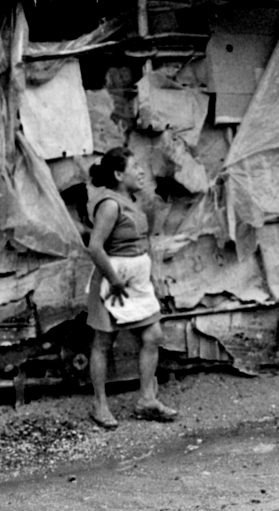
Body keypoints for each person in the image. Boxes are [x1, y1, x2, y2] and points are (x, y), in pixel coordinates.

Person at [86, 147, 178, 429]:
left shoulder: (132, 201)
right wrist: (114, 280)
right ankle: (99, 405)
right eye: (134, 166)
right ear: (118, 174)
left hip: (137, 282)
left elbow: (142, 244)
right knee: (103, 342)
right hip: (113, 282)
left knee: (153, 335)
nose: (140, 171)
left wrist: (152, 279)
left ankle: (146, 400)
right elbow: (95, 247)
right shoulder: (110, 204)